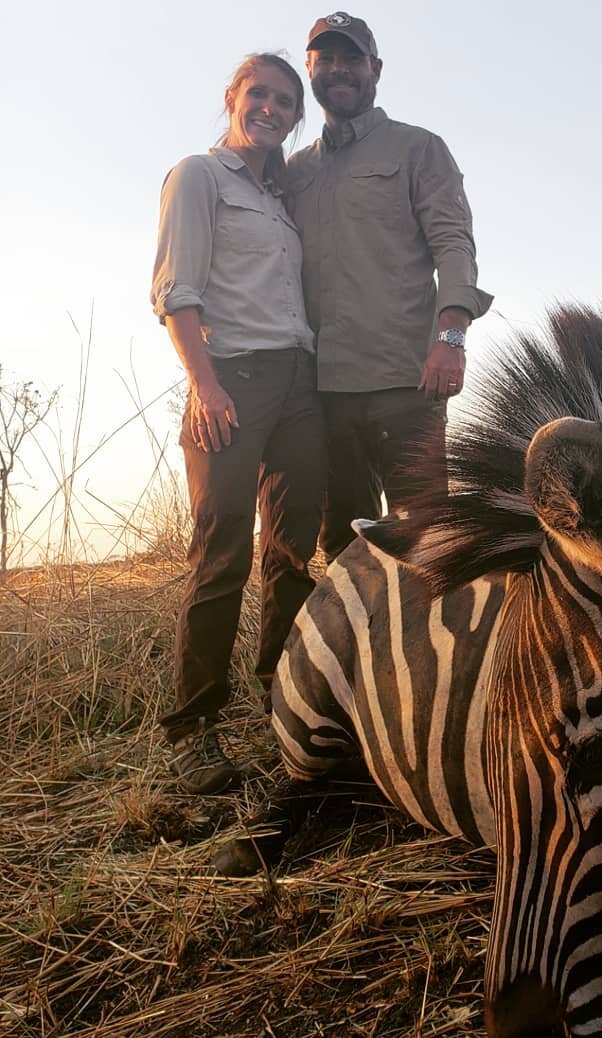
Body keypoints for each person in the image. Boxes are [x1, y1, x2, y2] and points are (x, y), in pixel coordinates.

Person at [151, 53, 327, 794]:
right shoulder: (198, 175)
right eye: (261, 94)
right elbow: (174, 290)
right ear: (233, 97)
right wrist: (206, 384)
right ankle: (193, 727)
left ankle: (278, 694)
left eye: (287, 101)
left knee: (292, 550)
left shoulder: (282, 198)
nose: (273, 108)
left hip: (299, 382)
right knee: (221, 547)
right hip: (234, 379)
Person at [288, 12, 493, 560]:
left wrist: (450, 341)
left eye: (351, 58)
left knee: (426, 542)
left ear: (375, 69)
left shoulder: (418, 149)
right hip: (323, 392)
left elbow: (454, 245)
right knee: (341, 550)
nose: (339, 69)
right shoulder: (293, 171)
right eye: (326, 58)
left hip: (408, 385)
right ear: (310, 68)